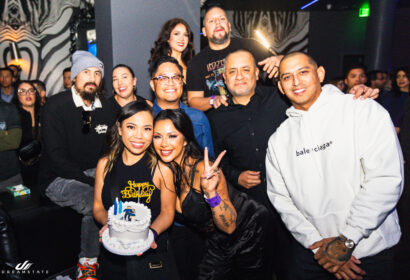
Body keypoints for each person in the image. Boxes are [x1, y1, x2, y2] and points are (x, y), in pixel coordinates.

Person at [208, 49, 380, 279]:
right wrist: (235, 174)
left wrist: (352, 95)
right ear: (225, 78)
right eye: (232, 71)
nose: (239, 76)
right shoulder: (216, 117)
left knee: (291, 269)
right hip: (252, 211)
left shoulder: (280, 97)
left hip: (301, 210)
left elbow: (317, 99)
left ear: (257, 74)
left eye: (246, 69)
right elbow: (219, 160)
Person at [266, 52, 403, 280]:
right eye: (287, 77)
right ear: (280, 87)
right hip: (313, 254)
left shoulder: (362, 110)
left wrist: (347, 240)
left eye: (303, 72)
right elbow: (281, 199)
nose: (296, 82)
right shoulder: (279, 139)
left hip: (368, 254)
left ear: (320, 74)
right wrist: (318, 246)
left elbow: (385, 180)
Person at [153, 109, 271, 279]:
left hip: (249, 228)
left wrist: (210, 192)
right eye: (157, 136)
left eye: (172, 136)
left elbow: (229, 227)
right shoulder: (164, 168)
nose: (164, 144)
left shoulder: (203, 169)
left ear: (185, 140)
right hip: (216, 240)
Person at [39, 50, 116, 279]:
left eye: (97, 73)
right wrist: (96, 182)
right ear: (73, 77)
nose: (92, 77)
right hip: (57, 177)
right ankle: (88, 264)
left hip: (94, 173)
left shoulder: (108, 108)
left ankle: (119, 250)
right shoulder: (54, 106)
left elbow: (112, 151)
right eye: (85, 72)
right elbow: (57, 158)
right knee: (93, 200)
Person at [93, 101, 178, 279]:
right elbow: (98, 207)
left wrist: (150, 235)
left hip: (150, 257)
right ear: (120, 128)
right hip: (113, 255)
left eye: (147, 129)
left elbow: (168, 212)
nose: (139, 136)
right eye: (131, 127)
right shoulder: (104, 164)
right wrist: (109, 224)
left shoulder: (161, 168)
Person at [186, 5, 282, 112]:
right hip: (223, 120)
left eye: (222, 19)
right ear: (204, 31)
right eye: (211, 21)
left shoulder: (251, 45)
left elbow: (278, 65)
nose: (218, 22)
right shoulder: (196, 63)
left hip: (260, 110)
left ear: (229, 26)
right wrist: (213, 100)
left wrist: (281, 60)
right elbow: (193, 100)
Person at [150, 56, 214, 158]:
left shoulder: (198, 118)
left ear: (182, 83)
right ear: (152, 85)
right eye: (163, 78)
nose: (170, 83)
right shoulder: (145, 118)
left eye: (176, 77)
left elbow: (209, 159)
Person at [149, 18, 195, 105]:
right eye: (176, 34)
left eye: (185, 35)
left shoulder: (193, 64)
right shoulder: (160, 65)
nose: (182, 39)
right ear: (167, 38)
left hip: (193, 114)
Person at [14, 81, 42, 187]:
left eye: (31, 91)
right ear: (17, 95)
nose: (28, 94)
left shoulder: (45, 113)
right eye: (22, 91)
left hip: (45, 167)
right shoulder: (14, 117)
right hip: (21, 170)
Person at [0, 99, 22, 191]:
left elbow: (14, 142)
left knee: (21, 204)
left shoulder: (8, 108)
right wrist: (3, 134)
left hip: (10, 177)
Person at [379, 67, 409, 133]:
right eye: (398, 76)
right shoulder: (389, 95)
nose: (400, 79)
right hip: (388, 129)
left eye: (404, 76)